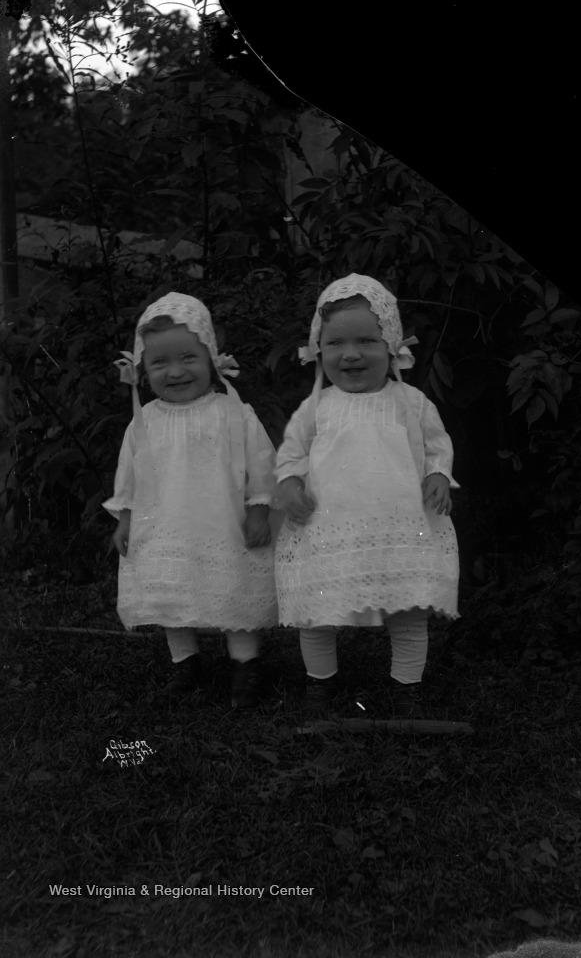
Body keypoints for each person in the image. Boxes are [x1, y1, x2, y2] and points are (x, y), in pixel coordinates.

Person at [275, 273, 460, 717]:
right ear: (319, 350)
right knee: (316, 613)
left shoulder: (410, 402)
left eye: (366, 341)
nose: (351, 354)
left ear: (391, 346)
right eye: (336, 343)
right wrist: (290, 483)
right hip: (328, 530)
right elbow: (290, 454)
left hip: (402, 529)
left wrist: (439, 473)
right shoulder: (316, 407)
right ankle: (320, 683)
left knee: (408, 612)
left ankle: (406, 689)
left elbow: (437, 444)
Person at [103, 292, 278, 706]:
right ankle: (185, 663)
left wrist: (259, 507)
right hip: (164, 528)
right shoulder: (144, 421)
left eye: (188, 358)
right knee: (170, 591)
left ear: (211, 358)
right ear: (143, 370)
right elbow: (129, 475)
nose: (176, 371)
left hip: (224, 524)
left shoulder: (232, 412)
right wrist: (125, 518)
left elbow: (262, 463)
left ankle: (246, 665)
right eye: (160, 363)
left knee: (233, 588)